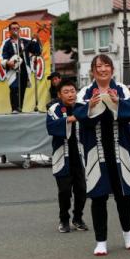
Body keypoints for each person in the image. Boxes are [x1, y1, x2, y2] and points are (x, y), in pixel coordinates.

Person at [81, 54, 130, 255]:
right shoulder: (85, 92)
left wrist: (117, 102)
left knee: (123, 195)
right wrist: (89, 106)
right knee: (98, 197)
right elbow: (80, 114)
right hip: (95, 151)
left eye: (106, 65)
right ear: (92, 70)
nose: (103, 69)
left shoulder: (122, 89)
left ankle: (128, 233)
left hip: (119, 149)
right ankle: (101, 240)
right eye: (99, 66)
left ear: (112, 69)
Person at [46, 78, 89, 234]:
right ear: (59, 94)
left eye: (72, 91)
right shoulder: (54, 109)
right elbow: (51, 127)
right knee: (64, 191)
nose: (70, 94)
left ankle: (77, 218)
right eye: (66, 92)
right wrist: (70, 119)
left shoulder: (81, 107)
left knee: (82, 189)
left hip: (79, 155)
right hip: (62, 156)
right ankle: (64, 220)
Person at [2, 21, 42, 113]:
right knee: (14, 88)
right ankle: (14, 109)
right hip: (13, 71)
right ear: (10, 31)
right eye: (13, 28)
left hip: (24, 70)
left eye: (17, 28)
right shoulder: (7, 43)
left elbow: (37, 51)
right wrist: (8, 63)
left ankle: (20, 108)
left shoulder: (25, 41)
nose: (15, 30)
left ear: (19, 30)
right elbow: (3, 56)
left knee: (21, 90)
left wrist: (37, 39)